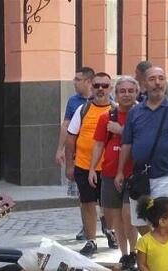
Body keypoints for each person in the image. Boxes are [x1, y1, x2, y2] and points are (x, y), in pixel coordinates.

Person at [116, 66, 168, 235]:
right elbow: (127, 143)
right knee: (140, 221)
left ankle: (165, 257)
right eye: (152, 79)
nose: (157, 83)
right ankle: (152, 251)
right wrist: (120, 172)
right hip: (141, 178)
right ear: (144, 85)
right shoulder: (135, 112)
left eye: (161, 78)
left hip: (167, 176)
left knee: (164, 221)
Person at [90, 75, 138, 269]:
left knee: (129, 214)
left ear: (137, 92)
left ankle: (134, 253)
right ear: (116, 94)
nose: (126, 95)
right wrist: (92, 168)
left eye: (130, 91)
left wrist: (121, 131)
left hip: (133, 173)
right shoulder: (106, 117)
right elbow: (99, 143)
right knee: (115, 217)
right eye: (122, 91)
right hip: (109, 172)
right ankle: (124, 254)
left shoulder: (141, 114)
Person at [66, 72, 116, 257]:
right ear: (91, 88)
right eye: (97, 86)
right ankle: (91, 240)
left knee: (109, 204)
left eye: (104, 85)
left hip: (109, 167)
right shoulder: (83, 110)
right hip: (83, 165)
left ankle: (110, 231)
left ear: (110, 88)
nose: (100, 89)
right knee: (87, 203)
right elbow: (71, 138)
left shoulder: (116, 111)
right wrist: (69, 165)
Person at [55, 67, 94, 171]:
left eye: (78, 80)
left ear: (88, 81)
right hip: (76, 153)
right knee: (74, 185)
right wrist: (60, 149)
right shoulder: (73, 100)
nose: (74, 83)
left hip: (96, 153)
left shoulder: (103, 99)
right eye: (74, 79)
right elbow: (66, 125)